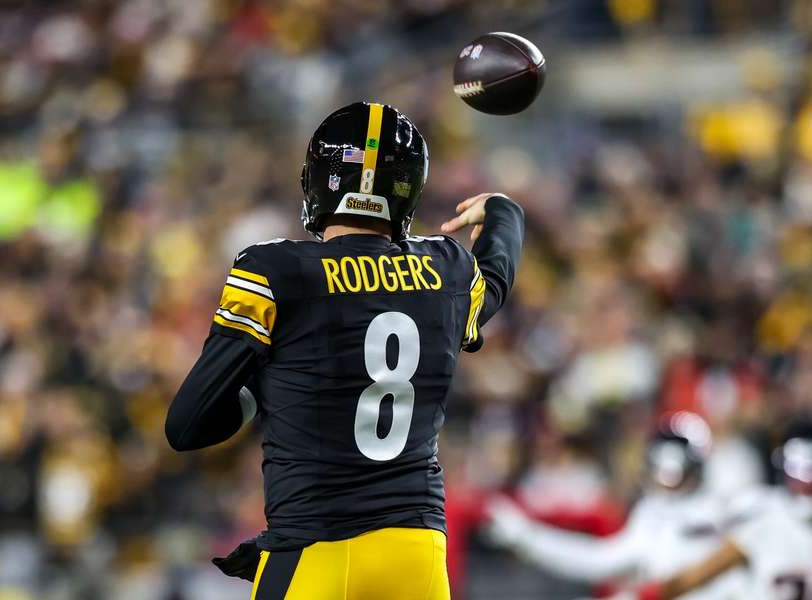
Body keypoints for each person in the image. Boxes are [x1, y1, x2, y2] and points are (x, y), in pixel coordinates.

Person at [164, 101, 525, 599]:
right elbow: (496, 278)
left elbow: (187, 425)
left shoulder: (274, 271)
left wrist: (256, 392)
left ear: (317, 180)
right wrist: (506, 213)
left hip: (315, 551)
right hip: (417, 556)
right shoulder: (448, 271)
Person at [487, 412, 749, 600]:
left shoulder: (717, 511)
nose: (660, 476)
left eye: (668, 467)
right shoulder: (658, 509)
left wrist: (526, 536)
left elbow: (600, 560)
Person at [625, 419, 812, 600]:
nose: (806, 482)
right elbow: (688, 580)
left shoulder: (762, 512)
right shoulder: (763, 513)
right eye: (800, 468)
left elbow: (687, 581)